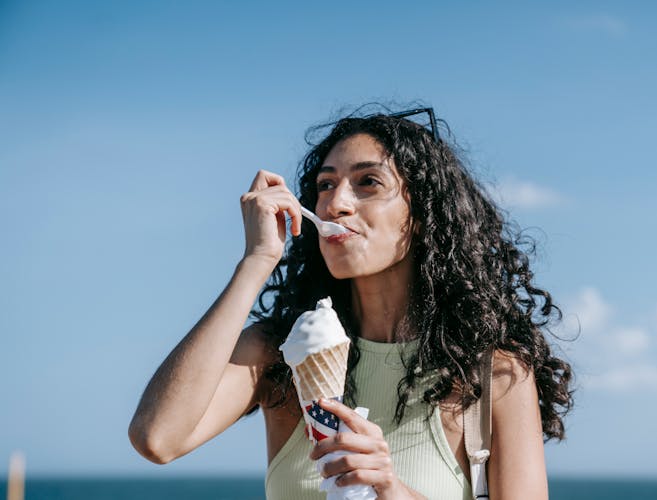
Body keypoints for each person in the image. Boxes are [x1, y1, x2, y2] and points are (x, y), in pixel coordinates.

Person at [128, 106, 573, 499]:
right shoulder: (279, 354)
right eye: (325, 185)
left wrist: (391, 490)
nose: (335, 203)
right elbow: (157, 438)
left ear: (421, 215)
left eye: (368, 182)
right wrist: (257, 260)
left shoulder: (493, 373)